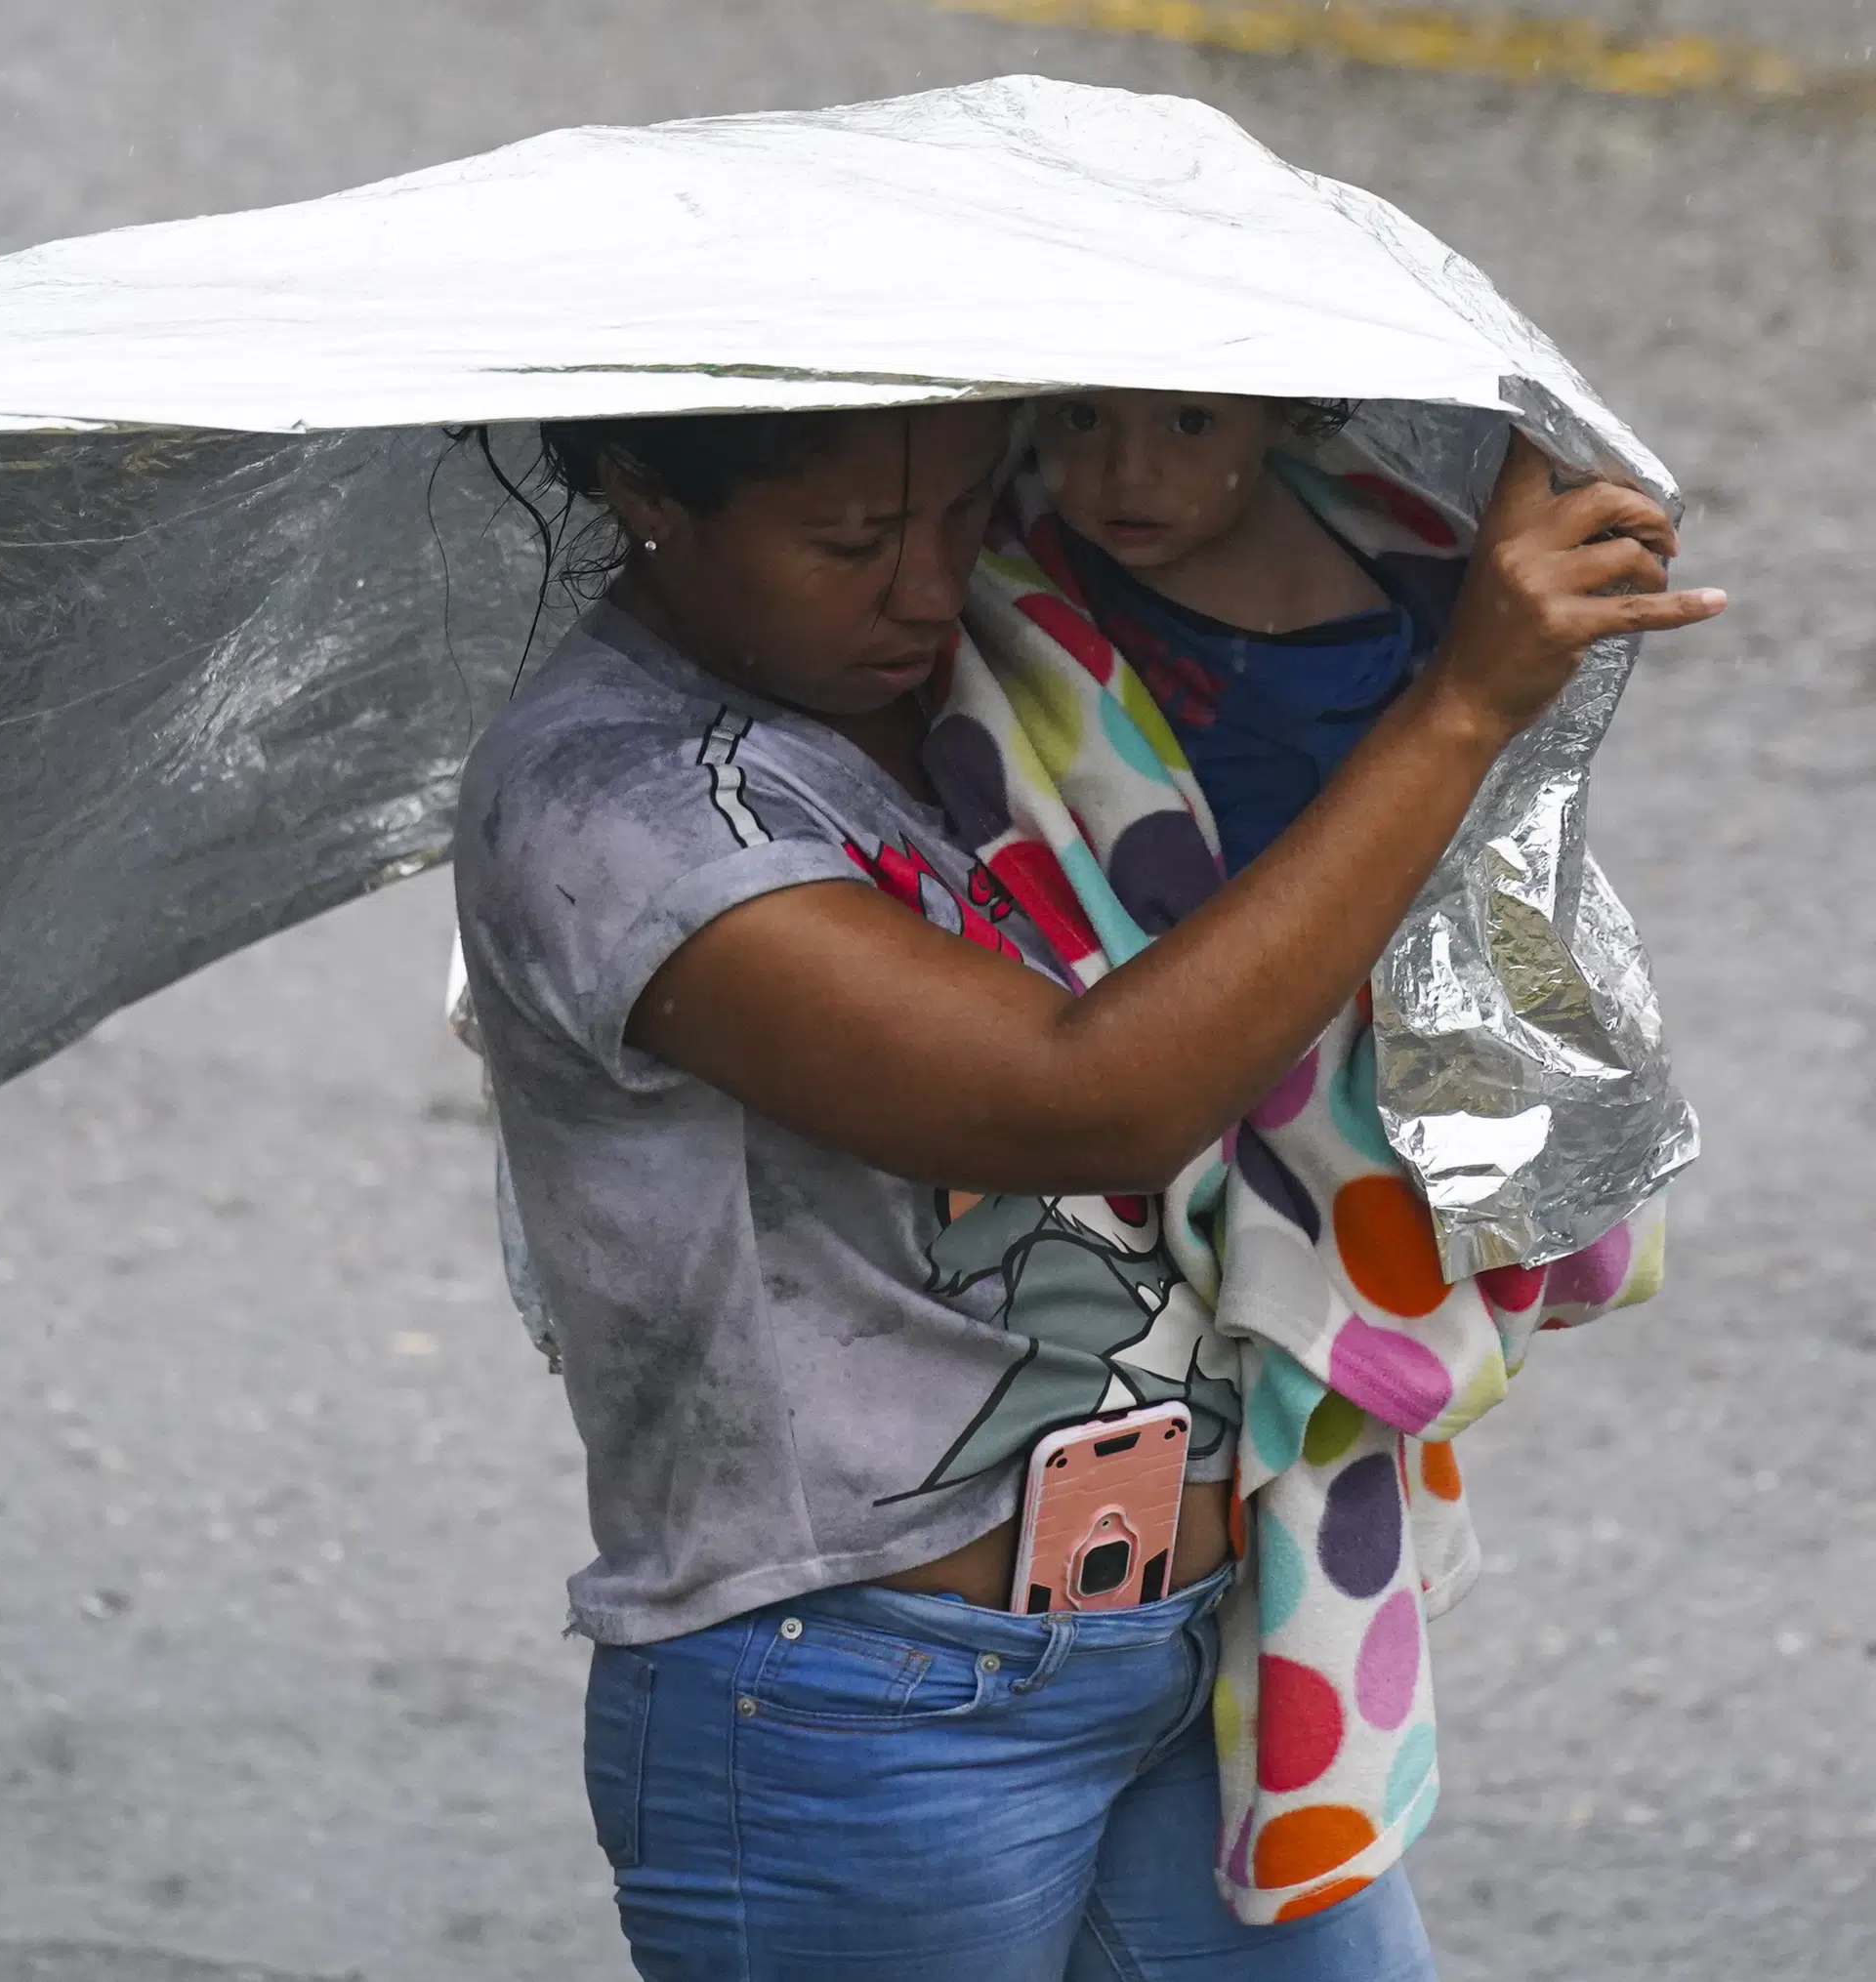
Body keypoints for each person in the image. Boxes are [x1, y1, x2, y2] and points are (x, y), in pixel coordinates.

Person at [448, 398, 1720, 1980]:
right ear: (648, 491)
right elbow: (1086, 1098)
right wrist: (1460, 705)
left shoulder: (1027, 645)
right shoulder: (620, 808)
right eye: (851, 542)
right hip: (865, 1702)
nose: (924, 584)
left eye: (959, 507)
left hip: (1202, 1644)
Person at [1024, 390, 1454, 875]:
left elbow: (1331, 888)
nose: (1129, 474)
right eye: (1084, 418)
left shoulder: (1333, 671)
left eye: (1191, 422)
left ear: (1281, 412)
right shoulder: (1019, 506)